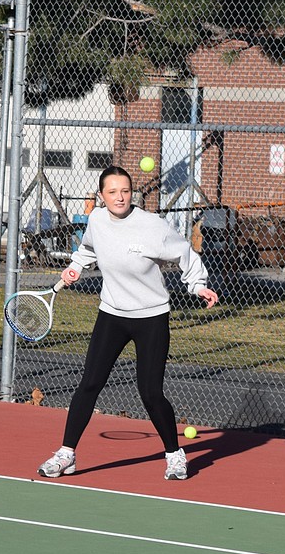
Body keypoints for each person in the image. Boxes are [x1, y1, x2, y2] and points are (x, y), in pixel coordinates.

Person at [37, 165, 219, 481]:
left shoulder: (152, 226)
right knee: (89, 384)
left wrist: (197, 285)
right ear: (101, 196)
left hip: (151, 317)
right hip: (112, 315)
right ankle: (67, 453)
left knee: (150, 392)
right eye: (112, 192)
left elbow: (184, 255)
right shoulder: (96, 219)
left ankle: (175, 455)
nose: (120, 197)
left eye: (125, 191)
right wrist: (76, 267)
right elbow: (88, 249)